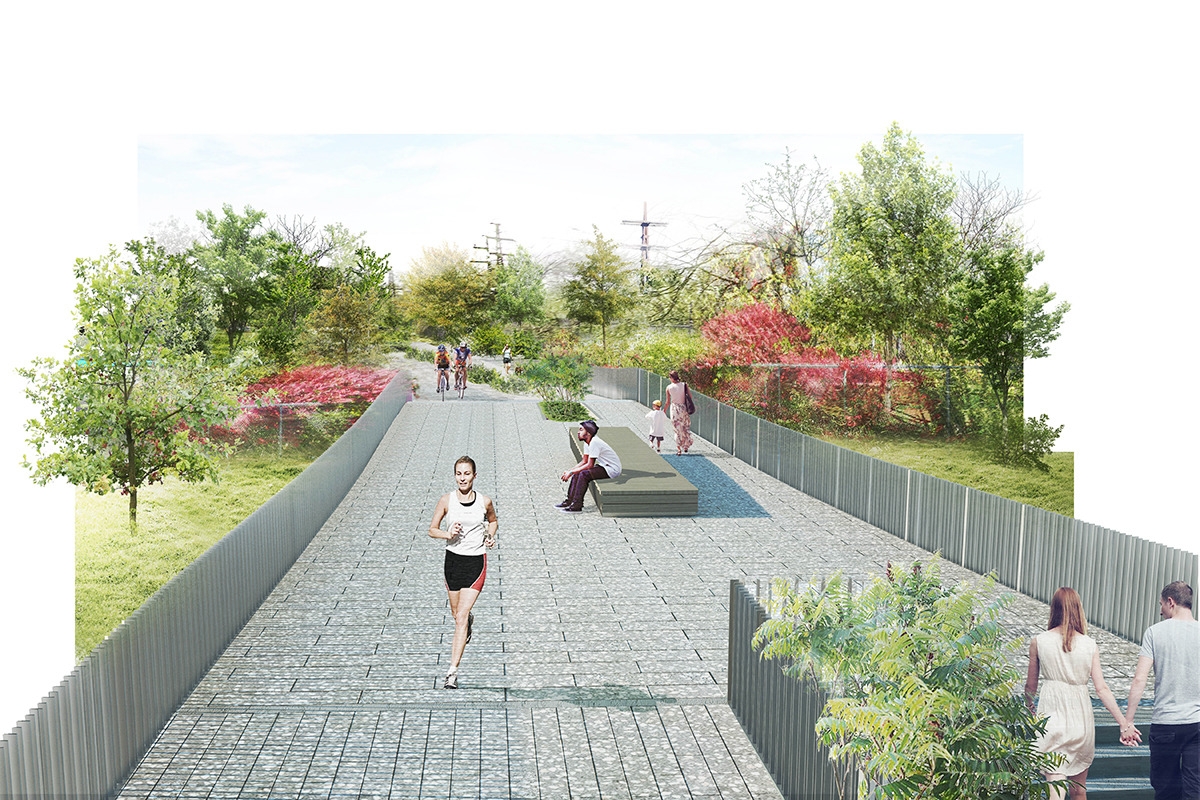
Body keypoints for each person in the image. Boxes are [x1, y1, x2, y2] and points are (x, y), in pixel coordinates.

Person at [1024, 587, 1133, 800]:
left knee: (1055, 785)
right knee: (1078, 790)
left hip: (1051, 715)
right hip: (1080, 719)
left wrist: (1030, 711)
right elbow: (1101, 689)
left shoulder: (1039, 640)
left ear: (1053, 608)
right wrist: (1123, 723)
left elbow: (1030, 687)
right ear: (1077, 608)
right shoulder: (1089, 644)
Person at [1123, 581, 1199, 800]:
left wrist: (1128, 721)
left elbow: (1140, 679)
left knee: (1166, 790)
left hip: (1166, 724)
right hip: (1197, 724)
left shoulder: (1154, 632)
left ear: (1171, 602)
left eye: (1162, 605)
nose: (1160, 610)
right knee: (1195, 790)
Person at [427, 455, 498, 689]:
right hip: (453, 563)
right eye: (459, 473)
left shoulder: (484, 501)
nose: (463, 478)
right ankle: (467, 622)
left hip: (475, 563)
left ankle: (452, 673)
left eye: (467, 473)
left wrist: (490, 536)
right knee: (457, 614)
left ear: (474, 476)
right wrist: (448, 534)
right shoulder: (446, 501)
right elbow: (432, 530)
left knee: (460, 618)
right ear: (455, 476)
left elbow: (493, 521)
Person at [556, 420, 621, 514]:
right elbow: (584, 461)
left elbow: (590, 465)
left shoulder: (594, 442)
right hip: (604, 465)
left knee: (584, 474)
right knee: (578, 473)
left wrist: (571, 473)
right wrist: (571, 470)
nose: (578, 432)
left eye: (581, 430)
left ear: (588, 432)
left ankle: (577, 506)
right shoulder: (587, 442)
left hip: (612, 469)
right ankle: (569, 501)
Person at [665, 370, 693, 455]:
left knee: (677, 429)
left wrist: (664, 410)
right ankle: (685, 446)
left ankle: (679, 449)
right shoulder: (684, 385)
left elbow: (668, 401)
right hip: (683, 408)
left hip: (674, 409)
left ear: (671, 378)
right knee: (685, 427)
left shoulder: (669, 387)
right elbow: (690, 396)